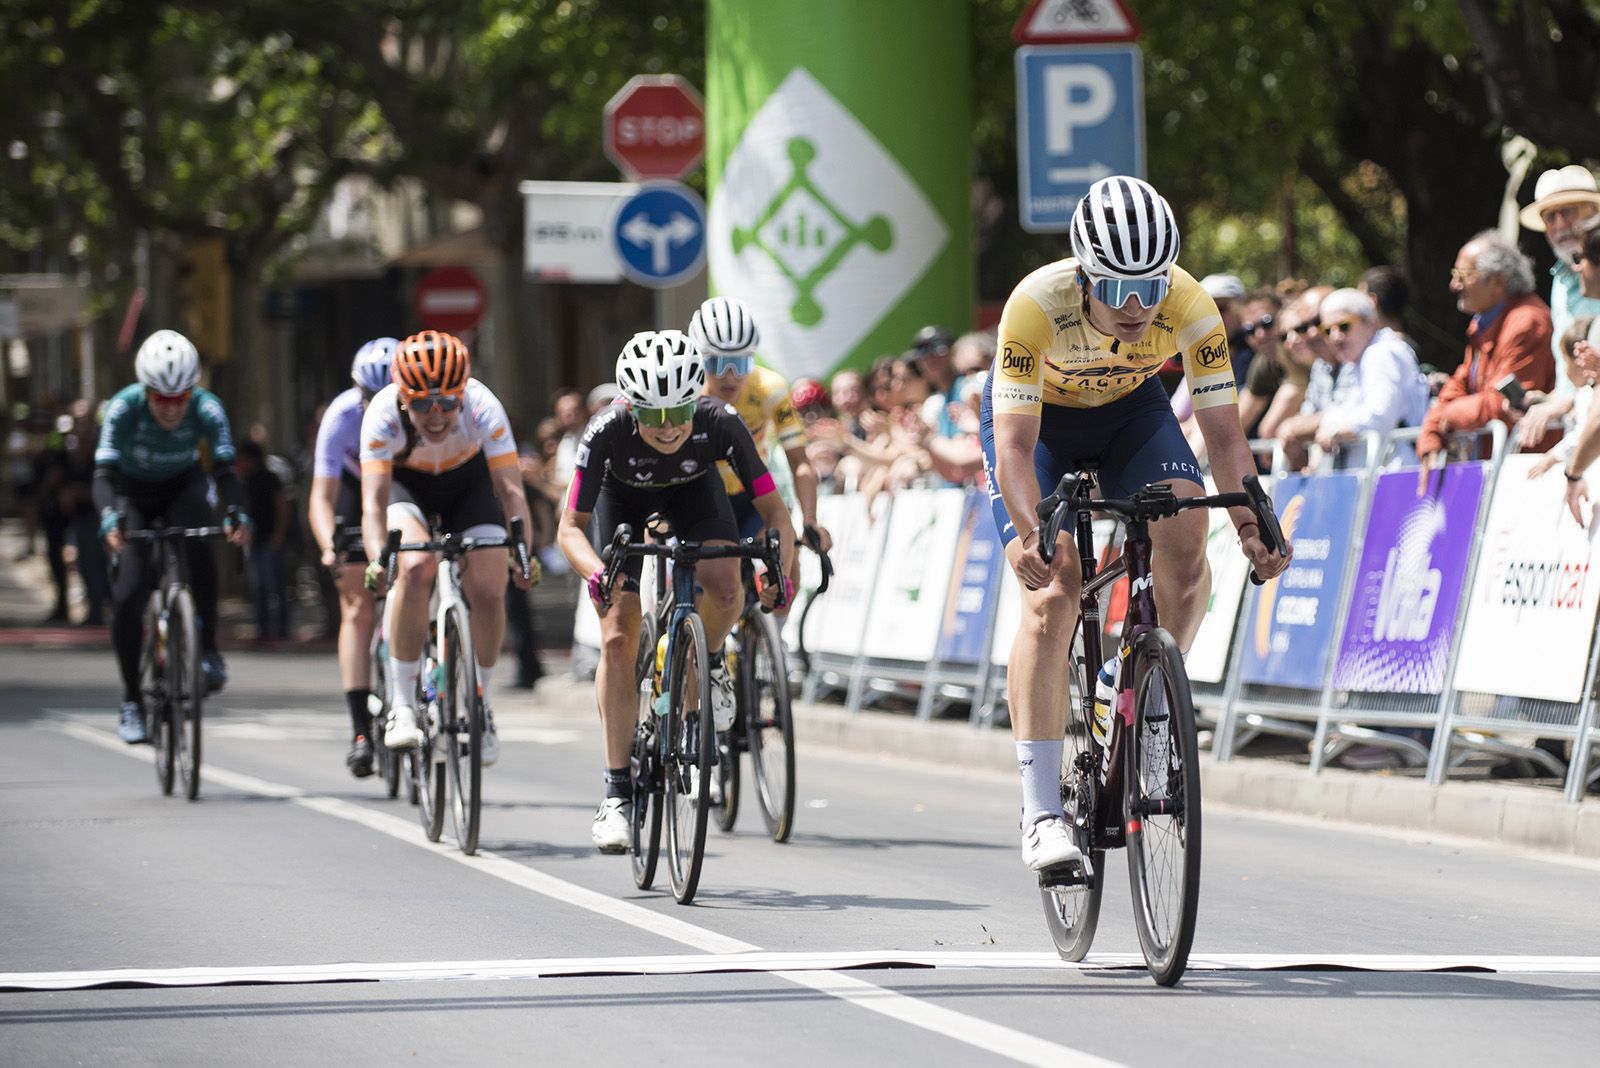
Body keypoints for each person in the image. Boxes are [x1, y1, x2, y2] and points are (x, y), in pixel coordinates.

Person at [985, 175, 1289, 872]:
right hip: (1042, 423)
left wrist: (1250, 523)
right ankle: (1040, 814)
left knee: (1185, 533)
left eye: (1149, 288)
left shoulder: (1191, 303)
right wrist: (1030, 533)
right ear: (1084, 275)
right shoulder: (1035, 304)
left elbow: (1224, 438)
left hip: (1131, 413)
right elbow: (1011, 448)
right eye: (1116, 287)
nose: (1134, 306)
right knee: (1055, 591)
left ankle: (1144, 693)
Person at [557, 331, 796, 854]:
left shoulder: (719, 421)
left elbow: (777, 514)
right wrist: (598, 574)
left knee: (728, 588)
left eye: (679, 413)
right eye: (654, 416)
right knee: (618, 635)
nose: (668, 428)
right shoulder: (606, 431)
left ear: (696, 399)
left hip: (694, 492)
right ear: (630, 405)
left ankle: (709, 661)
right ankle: (617, 793)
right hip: (622, 501)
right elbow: (568, 529)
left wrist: (781, 567)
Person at [359, 330, 537, 766]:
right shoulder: (381, 415)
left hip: (466, 485)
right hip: (409, 488)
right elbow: (373, 504)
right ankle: (402, 704)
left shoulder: (484, 407)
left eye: (447, 403)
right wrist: (377, 560)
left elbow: (512, 492)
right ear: (403, 398)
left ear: (463, 396)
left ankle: (479, 701)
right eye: (421, 404)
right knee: (415, 567)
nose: (436, 415)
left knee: (492, 587)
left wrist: (523, 554)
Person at [95, 330, 251, 743]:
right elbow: (103, 476)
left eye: (180, 398)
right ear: (146, 392)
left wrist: (236, 513)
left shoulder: (208, 408)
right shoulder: (124, 408)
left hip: (183, 486)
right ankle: (132, 699)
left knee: (200, 545)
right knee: (128, 595)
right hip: (132, 493)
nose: (171, 408)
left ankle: (209, 648)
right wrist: (110, 518)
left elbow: (225, 471)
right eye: (162, 400)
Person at [306, 337, 397, 776]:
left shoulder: (417, 414)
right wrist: (329, 546)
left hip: (400, 484)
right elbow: (321, 498)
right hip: (354, 490)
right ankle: (361, 729)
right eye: (368, 397)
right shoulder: (341, 417)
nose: (376, 405)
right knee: (358, 605)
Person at [689, 295, 833, 571]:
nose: (729, 375)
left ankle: (774, 614)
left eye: (740, 364)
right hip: (701, 495)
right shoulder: (686, 391)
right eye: (716, 363)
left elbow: (800, 462)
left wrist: (810, 520)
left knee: (788, 563)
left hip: (752, 495)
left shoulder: (770, 389)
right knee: (717, 582)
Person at [1418, 231, 1556, 479]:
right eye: (1454, 275)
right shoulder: (1483, 322)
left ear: (1498, 282)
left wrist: (1448, 416)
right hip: (1499, 466)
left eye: (1463, 276)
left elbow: (1501, 405)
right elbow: (1459, 384)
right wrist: (1432, 432)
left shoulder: (1528, 321)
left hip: (1528, 472)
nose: (1454, 285)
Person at [1273, 288, 1428, 468]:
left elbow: (1379, 414)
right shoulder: (1360, 359)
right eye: (1328, 330)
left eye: (1344, 326)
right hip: (1379, 476)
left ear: (1370, 322)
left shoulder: (1381, 353)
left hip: (1399, 475)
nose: (1335, 337)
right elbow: (1348, 409)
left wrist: (1337, 430)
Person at [237, 440, 291, 642]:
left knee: (275, 586)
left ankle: (282, 630)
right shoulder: (245, 480)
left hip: (270, 539)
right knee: (257, 589)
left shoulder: (270, 478)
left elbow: (282, 506)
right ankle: (263, 630)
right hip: (255, 541)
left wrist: (279, 533)